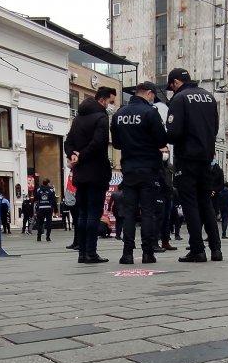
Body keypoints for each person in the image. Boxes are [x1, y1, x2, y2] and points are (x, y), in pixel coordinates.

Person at [165, 68, 221, 263]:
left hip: (187, 158)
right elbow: (215, 128)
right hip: (206, 158)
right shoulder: (209, 97)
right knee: (206, 202)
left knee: (190, 204)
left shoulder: (179, 99)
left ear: (175, 82)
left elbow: (173, 132)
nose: (172, 91)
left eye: (171, 87)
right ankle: (216, 249)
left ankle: (197, 249)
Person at [110, 80, 168, 264]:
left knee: (129, 213)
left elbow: (116, 143)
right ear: (149, 93)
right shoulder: (150, 112)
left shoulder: (119, 114)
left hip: (129, 168)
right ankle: (147, 253)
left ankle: (127, 253)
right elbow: (161, 140)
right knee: (148, 212)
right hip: (148, 168)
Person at [65, 85, 117, 264]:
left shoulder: (77, 119)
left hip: (80, 174)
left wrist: (73, 155)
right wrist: (81, 155)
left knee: (82, 214)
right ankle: (91, 253)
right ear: (102, 100)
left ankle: (82, 253)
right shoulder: (101, 117)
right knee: (93, 214)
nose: (111, 105)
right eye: (111, 101)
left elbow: (68, 142)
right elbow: (99, 143)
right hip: (96, 173)